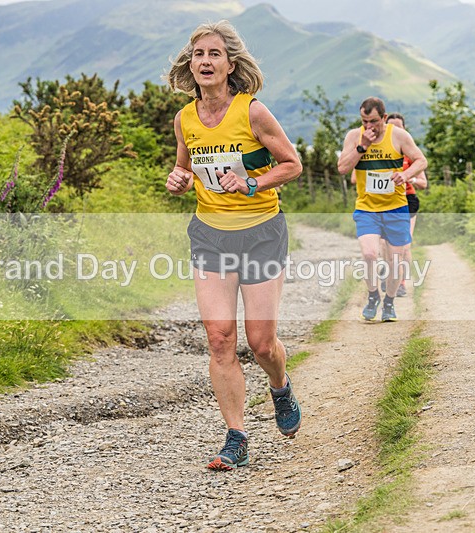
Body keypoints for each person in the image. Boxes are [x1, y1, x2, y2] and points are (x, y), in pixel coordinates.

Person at [166, 20, 303, 471]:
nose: (205, 61)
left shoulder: (252, 112)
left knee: (261, 343)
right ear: (191, 64)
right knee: (220, 338)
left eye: (214, 54)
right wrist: (179, 179)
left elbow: (292, 164)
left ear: (230, 64)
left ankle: (280, 387)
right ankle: (236, 437)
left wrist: (251, 183)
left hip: (261, 230)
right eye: (198, 54)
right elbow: (186, 170)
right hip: (209, 234)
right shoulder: (185, 119)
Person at [338, 97, 427, 322]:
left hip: (396, 208)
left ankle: (389, 301)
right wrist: (362, 147)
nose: (369, 127)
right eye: (364, 121)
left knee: (396, 261)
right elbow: (343, 168)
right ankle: (372, 295)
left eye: (374, 121)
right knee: (369, 254)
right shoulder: (353, 137)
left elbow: (421, 160)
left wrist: (406, 175)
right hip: (366, 208)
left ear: (384, 118)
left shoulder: (398, 136)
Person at [385, 112, 427, 297]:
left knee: (404, 246)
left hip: (407, 201)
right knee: (385, 246)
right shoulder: (381, 151)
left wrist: (408, 177)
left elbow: (424, 183)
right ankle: (390, 277)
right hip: (384, 201)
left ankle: (401, 282)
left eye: (399, 127)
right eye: (391, 127)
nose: (396, 131)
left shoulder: (410, 154)